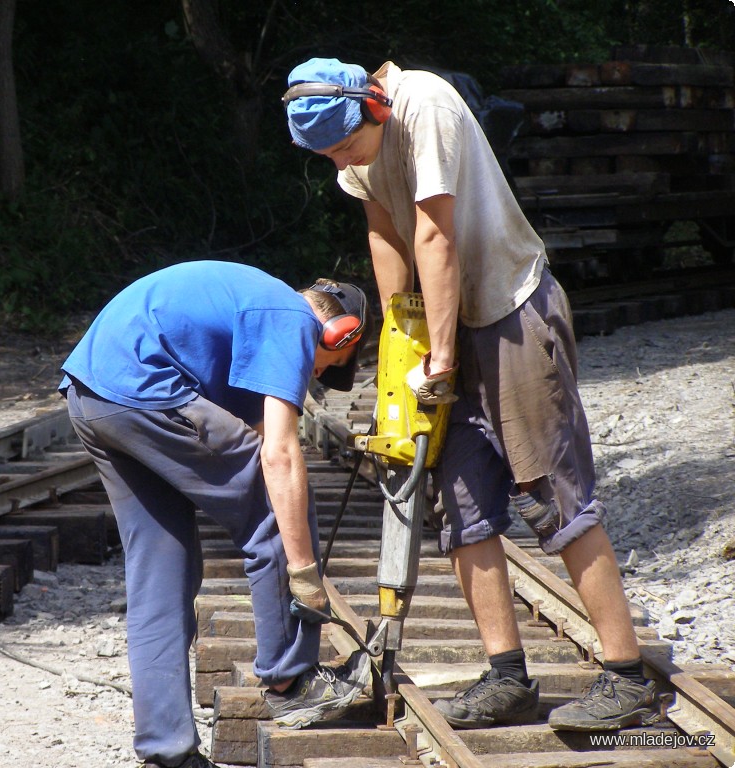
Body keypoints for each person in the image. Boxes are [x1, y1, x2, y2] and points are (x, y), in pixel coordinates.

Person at [282, 58, 657, 732]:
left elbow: (433, 232)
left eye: (345, 146)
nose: (340, 159)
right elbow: (385, 231)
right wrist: (404, 341)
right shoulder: (351, 144)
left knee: (555, 496)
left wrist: (444, 355)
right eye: (328, 154)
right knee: (462, 507)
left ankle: (627, 678)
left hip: (510, 309)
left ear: (372, 108)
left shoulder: (424, 105)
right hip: (448, 325)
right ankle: (505, 676)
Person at [58, 260, 372, 768]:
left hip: (92, 393)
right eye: (329, 366)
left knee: (164, 565)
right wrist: (304, 570)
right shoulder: (294, 319)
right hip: (145, 388)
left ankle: (169, 750)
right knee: (278, 506)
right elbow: (279, 456)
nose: (318, 376)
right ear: (338, 334)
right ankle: (291, 679)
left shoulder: (251, 310)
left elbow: (242, 429)